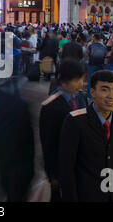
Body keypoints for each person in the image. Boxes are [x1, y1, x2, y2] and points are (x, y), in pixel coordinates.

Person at [59, 70, 113, 202]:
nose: (111, 96)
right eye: (104, 90)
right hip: (86, 194)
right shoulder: (75, 121)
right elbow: (66, 168)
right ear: (92, 92)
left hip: (112, 195)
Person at [39, 59, 87, 202]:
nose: (81, 84)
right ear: (65, 81)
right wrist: (52, 175)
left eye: (82, 80)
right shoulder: (50, 106)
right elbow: (47, 143)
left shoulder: (80, 98)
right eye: (77, 80)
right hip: (61, 167)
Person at [86, 33, 107, 97]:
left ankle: (89, 95)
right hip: (101, 65)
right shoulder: (103, 46)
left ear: (94, 38)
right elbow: (105, 55)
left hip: (92, 65)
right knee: (100, 80)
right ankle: (99, 94)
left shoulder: (91, 46)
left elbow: (87, 54)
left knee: (90, 80)